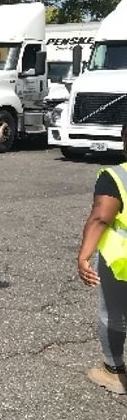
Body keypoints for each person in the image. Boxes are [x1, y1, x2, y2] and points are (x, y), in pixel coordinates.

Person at [77, 122, 127, 394]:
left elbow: (101, 217)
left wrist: (84, 256)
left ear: (123, 138)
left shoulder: (116, 176)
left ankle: (114, 371)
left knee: (114, 314)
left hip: (121, 263)